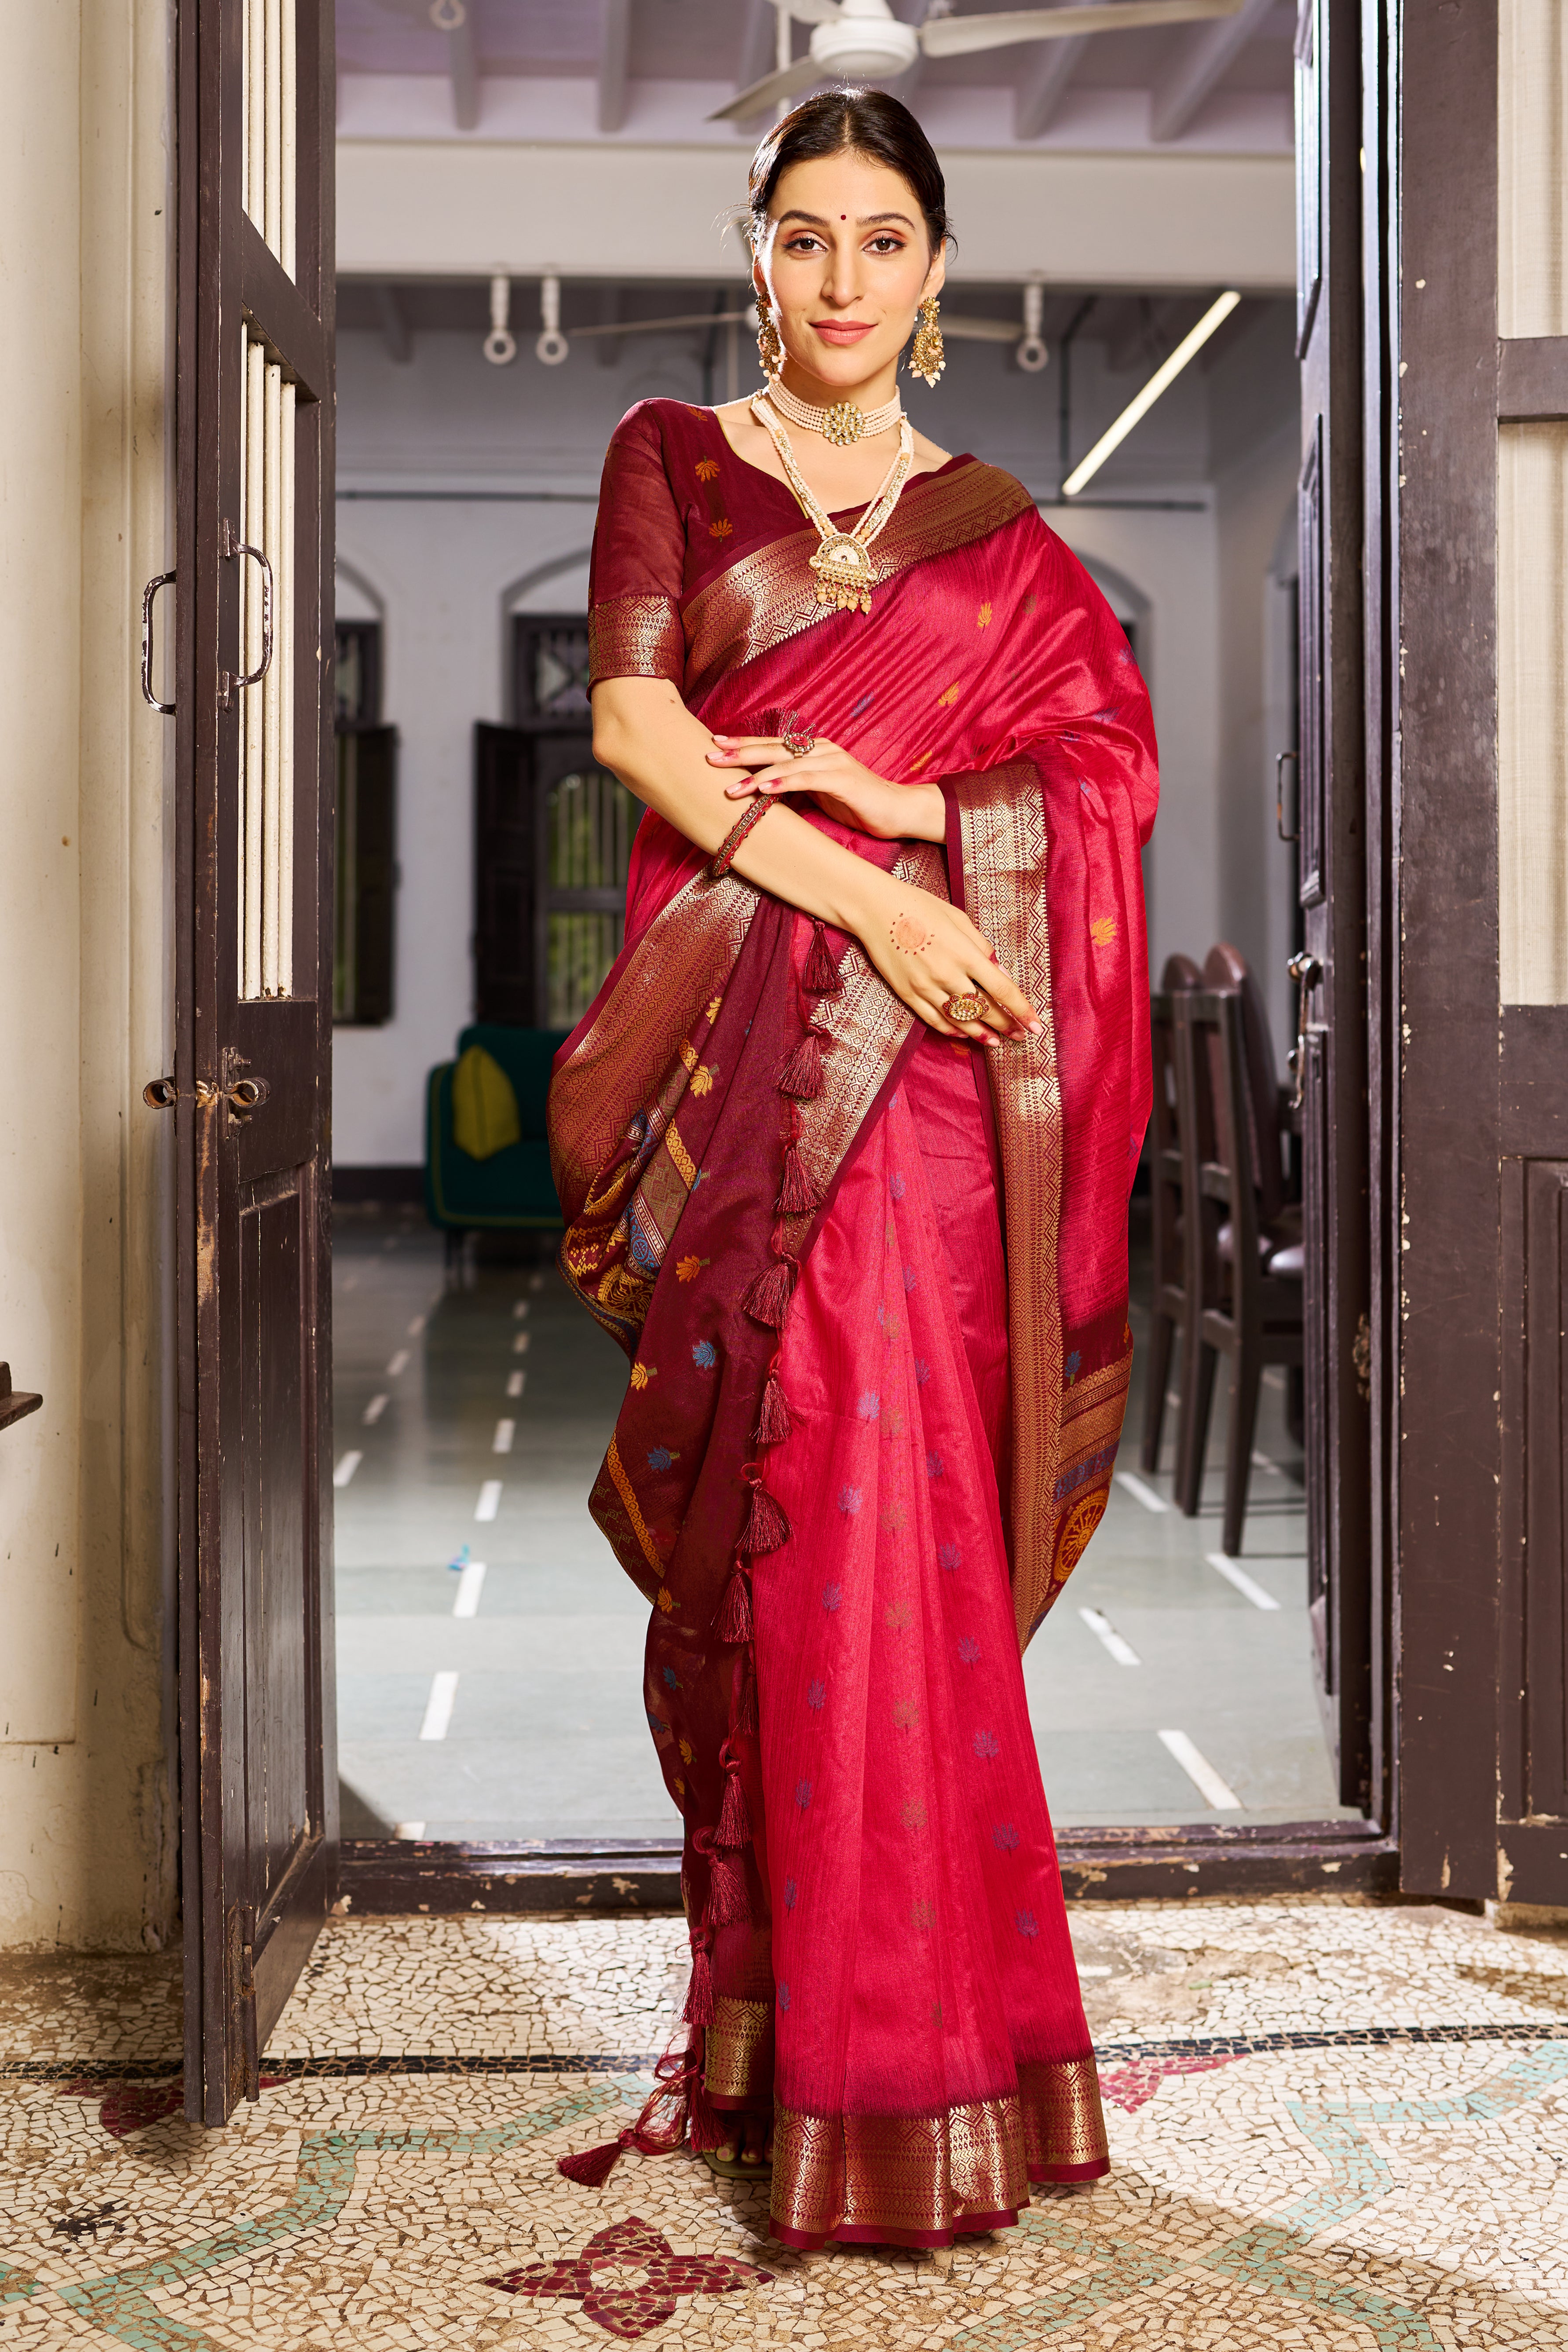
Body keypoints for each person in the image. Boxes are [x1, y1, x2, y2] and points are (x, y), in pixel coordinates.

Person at [548, 86, 1158, 2251]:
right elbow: (638, 732)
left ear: (933, 268)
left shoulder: (992, 531)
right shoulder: (671, 456)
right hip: (742, 1066)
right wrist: (868, 890)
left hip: (935, 1096)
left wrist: (914, 834)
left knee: (909, 1536)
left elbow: (1101, 763)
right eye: (801, 235)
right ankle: (794, 2048)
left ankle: (924, 2055)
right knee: (794, 1521)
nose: (835, 281)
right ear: (754, 251)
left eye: (877, 239)